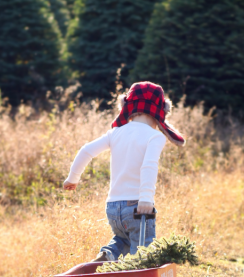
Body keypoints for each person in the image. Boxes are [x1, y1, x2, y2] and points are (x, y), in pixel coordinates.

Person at [63, 81, 186, 266]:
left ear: (128, 108)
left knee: (123, 240)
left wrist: (72, 178)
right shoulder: (155, 136)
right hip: (137, 207)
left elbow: (86, 150)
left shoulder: (116, 133)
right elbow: (149, 166)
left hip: (113, 207)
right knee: (143, 255)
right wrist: (146, 199)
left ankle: (108, 256)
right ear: (161, 111)